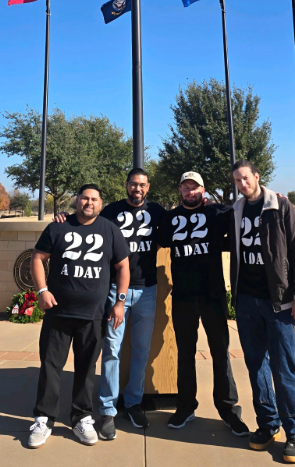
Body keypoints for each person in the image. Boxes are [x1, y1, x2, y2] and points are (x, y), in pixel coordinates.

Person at [53, 167, 166, 436]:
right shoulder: (111, 211)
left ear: (147, 187)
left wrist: (210, 203)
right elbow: (84, 218)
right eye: (133, 184)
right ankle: (107, 410)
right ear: (126, 185)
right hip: (116, 290)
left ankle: (134, 402)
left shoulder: (159, 211)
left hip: (147, 290)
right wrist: (64, 217)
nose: (137, 189)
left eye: (142, 185)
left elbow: (184, 218)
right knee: (112, 349)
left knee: (140, 350)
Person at [27, 184, 130, 449]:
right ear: (77, 200)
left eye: (94, 199)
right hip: (58, 311)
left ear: (100, 202)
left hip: (94, 315)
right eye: (85, 198)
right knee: (51, 366)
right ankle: (43, 418)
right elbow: (38, 258)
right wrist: (42, 290)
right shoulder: (58, 226)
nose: (89, 202)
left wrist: (119, 302)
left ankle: (82, 417)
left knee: (86, 368)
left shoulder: (110, 229)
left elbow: (123, 267)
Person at [227, 160, 295, 463]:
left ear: (256, 177)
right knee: (255, 366)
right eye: (237, 180)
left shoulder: (280, 206)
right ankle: (267, 423)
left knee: (284, 368)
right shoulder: (236, 210)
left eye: (245, 178)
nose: (242, 184)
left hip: (278, 301)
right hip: (247, 300)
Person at [155, 171, 249, 436]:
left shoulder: (217, 214)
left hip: (213, 295)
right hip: (183, 296)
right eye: (185, 188)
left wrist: (274, 199)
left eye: (194, 188)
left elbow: (243, 210)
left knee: (220, 352)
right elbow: (156, 237)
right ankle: (185, 407)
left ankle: (228, 409)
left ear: (203, 190)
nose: (189, 192)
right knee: (185, 354)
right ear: (180, 191)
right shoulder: (170, 218)